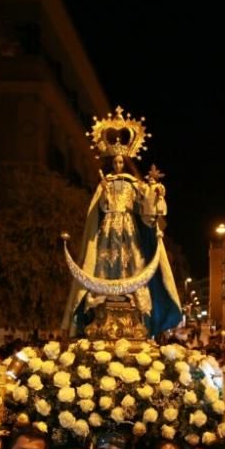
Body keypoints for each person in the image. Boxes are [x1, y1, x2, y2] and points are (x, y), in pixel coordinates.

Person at [63, 125, 183, 337]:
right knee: (106, 259)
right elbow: (100, 209)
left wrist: (154, 191)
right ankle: (105, 295)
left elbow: (144, 208)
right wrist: (105, 197)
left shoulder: (132, 184)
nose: (118, 165)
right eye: (115, 162)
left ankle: (129, 296)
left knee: (131, 259)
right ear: (111, 163)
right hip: (109, 226)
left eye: (121, 162)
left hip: (128, 225)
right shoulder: (105, 183)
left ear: (125, 163)